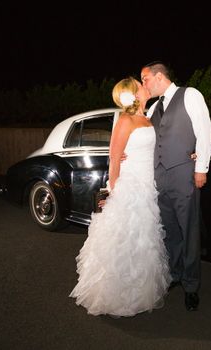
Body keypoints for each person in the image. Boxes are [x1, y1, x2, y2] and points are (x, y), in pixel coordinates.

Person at [69, 77, 171, 317]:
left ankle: (137, 293)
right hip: (130, 187)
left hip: (148, 186)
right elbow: (114, 157)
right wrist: (114, 192)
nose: (145, 86)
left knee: (142, 241)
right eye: (140, 84)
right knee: (124, 241)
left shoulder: (146, 118)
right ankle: (116, 296)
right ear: (134, 94)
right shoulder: (125, 119)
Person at [141, 62, 211, 311]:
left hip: (184, 174)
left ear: (159, 76)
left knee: (189, 231)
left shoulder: (190, 95)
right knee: (170, 230)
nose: (143, 84)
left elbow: (204, 132)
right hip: (159, 177)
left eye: (145, 79)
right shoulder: (152, 108)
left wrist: (200, 167)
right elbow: (146, 138)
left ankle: (191, 286)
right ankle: (175, 274)